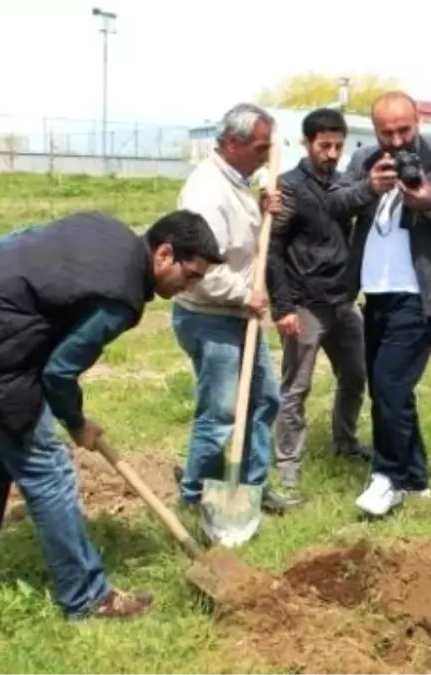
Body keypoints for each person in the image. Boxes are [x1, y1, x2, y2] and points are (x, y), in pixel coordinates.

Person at [0, 208, 224, 621]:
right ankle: (87, 598)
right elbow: (59, 372)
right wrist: (77, 423)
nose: (192, 287)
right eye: (191, 276)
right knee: (49, 470)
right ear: (165, 254)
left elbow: (12, 240)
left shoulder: (104, 226)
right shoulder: (121, 297)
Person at [319, 91, 431, 517]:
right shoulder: (365, 161)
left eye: (404, 130)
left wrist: (430, 205)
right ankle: (415, 478)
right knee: (390, 388)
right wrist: (366, 188)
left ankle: (387, 476)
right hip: (374, 293)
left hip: (421, 296)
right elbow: (333, 203)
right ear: (375, 130)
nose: (396, 141)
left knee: (390, 385)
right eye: (386, 132)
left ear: (419, 120)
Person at [170, 102, 303, 518]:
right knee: (222, 412)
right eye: (261, 148)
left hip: (235, 314)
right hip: (210, 315)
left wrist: (261, 210)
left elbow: (236, 242)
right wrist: (245, 294)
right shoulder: (206, 192)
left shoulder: (235, 182)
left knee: (263, 399)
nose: (267, 157)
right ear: (232, 142)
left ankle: (252, 487)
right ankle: (196, 498)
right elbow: (198, 268)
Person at [266, 107, 371, 495]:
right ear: (308, 143)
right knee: (297, 386)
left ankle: (345, 441)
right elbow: (272, 250)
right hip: (304, 303)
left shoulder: (345, 186)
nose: (331, 153)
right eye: (324, 145)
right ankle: (288, 461)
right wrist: (283, 307)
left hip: (343, 301)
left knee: (356, 374)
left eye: (338, 146)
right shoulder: (288, 188)